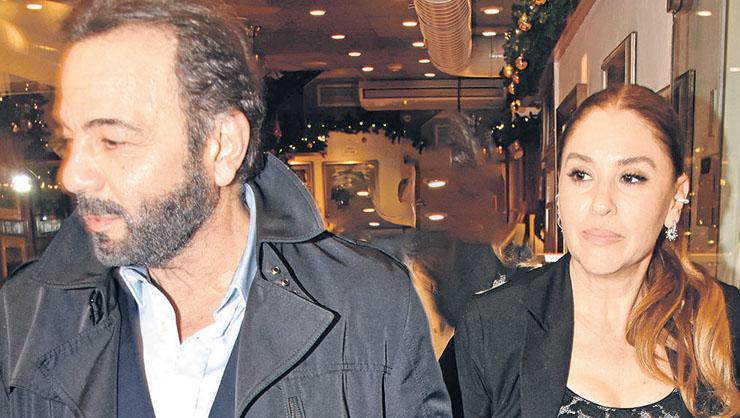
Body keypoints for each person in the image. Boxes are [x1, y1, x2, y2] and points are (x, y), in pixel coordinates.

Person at [0, 1, 451, 416]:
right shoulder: (24, 314)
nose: (72, 176)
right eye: (67, 140)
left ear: (222, 146)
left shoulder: (368, 303)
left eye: (113, 140)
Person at [455, 84, 740, 417]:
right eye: (581, 174)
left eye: (631, 177)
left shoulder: (725, 319)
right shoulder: (493, 327)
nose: (601, 203)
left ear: (675, 198)